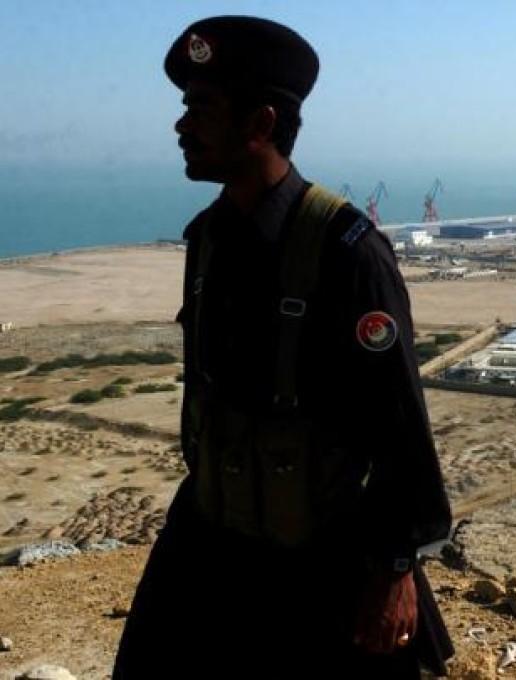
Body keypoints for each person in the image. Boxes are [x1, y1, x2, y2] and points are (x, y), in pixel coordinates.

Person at [112, 15, 454, 679]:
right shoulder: (209, 238)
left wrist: (394, 569)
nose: (181, 126)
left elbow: (400, 426)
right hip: (212, 537)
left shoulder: (347, 253)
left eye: (202, 109)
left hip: (319, 558)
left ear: (260, 124)